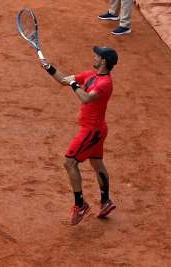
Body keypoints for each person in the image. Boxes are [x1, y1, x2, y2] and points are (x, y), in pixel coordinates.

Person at [39, 46, 117, 226]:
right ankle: (105, 202)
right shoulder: (90, 74)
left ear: (103, 62)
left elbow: (86, 98)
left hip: (91, 131)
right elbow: (65, 80)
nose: (95, 57)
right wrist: (49, 67)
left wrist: (74, 85)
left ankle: (80, 204)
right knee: (97, 163)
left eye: (97, 56)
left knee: (69, 161)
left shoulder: (105, 83)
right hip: (96, 129)